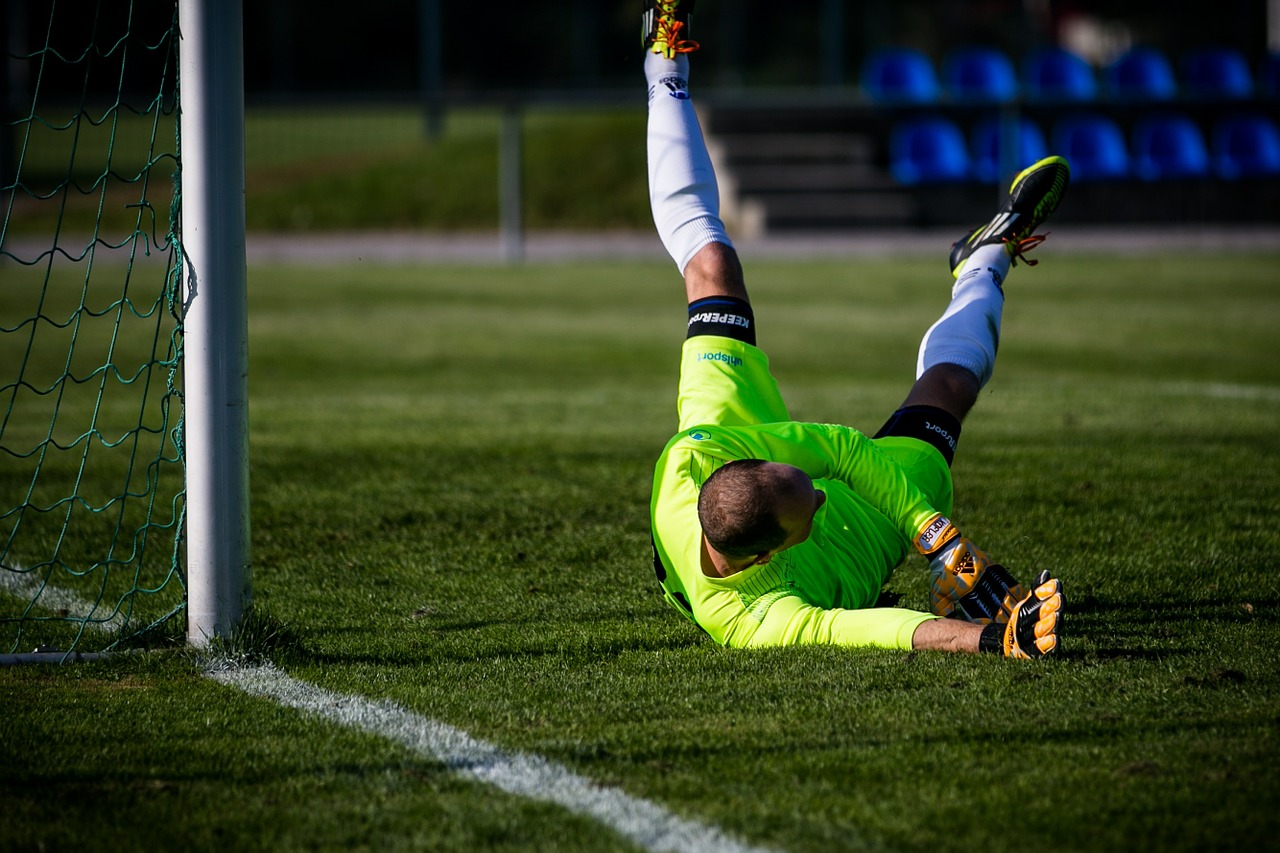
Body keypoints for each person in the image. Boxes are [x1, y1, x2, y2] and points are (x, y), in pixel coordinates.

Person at [643, 0, 1066, 659]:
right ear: (774, 552)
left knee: (713, 266)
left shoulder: (690, 462)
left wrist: (942, 541)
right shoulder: (755, 620)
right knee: (948, 387)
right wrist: (992, 636)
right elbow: (874, 628)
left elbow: (837, 451)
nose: (820, 487)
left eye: (797, 476)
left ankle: (661, 71)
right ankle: (986, 258)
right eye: (806, 497)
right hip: (847, 544)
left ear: (747, 460)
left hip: (726, 434)